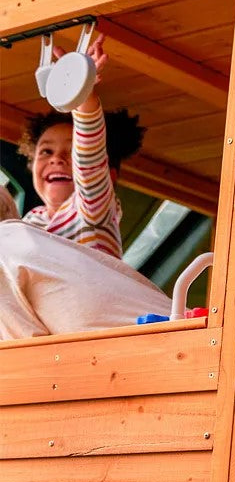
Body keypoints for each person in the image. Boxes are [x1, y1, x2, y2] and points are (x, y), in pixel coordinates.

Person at [18, 34, 144, 258]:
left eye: (72, 151)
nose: (56, 159)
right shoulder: (28, 223)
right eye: (46, 151)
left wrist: (81, 92)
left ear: (108, 176)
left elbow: (89, 160)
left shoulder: (92, 212)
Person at [0, 213, 171, 340]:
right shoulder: (30, 240)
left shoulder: (6, 247)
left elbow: (24, 357)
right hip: (180, 331)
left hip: (151, 355)